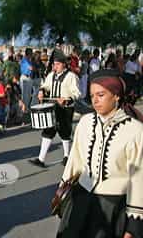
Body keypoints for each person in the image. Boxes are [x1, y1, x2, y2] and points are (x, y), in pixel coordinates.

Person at [56, 69, 143, 238]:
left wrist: (133, 227)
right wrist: (61, 193)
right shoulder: (85, 122)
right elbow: (75, 160)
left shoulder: (136, 130)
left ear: (116, 95)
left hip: (112, 207)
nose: (95, 100)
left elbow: (138, 179)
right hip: (80, 201)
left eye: (101, 95)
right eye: (92, 95)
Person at [29, 50, 80, 167]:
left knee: (65, 131)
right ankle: (41, 159)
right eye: (54, 64)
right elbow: (46, 86)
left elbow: (77, 93)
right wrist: (42, 91)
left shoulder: (71, 76)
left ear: (64, 65)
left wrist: (67, 99)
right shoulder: (51, 75)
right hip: (52, 107)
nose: (54, 66)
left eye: (57, 64)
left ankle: (66, 156)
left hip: (66, 108)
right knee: (48, 131)